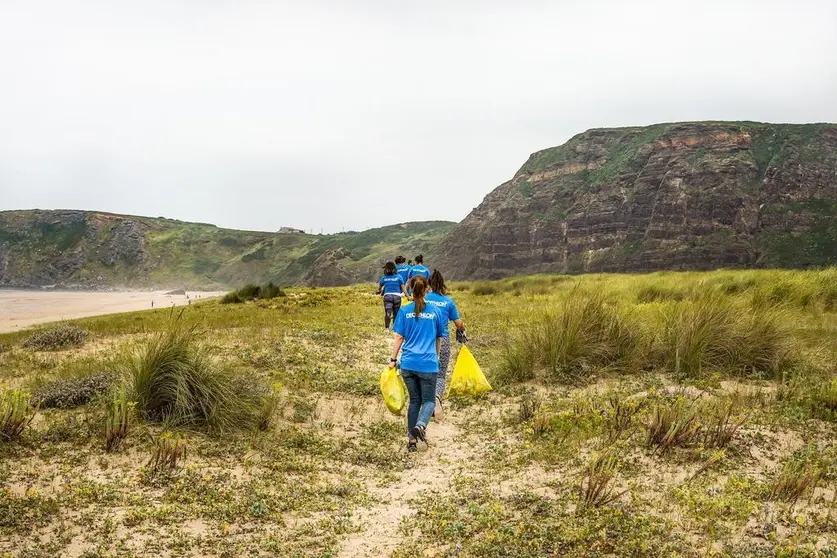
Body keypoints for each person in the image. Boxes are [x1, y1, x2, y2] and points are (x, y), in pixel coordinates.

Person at [390, 276, 446, 452]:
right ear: (427, 289)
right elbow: (439, 338)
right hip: (428, 364)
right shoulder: (435, 311)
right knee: (429, 401)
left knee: (414, 401)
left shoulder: (405, 311)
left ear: (411, 290)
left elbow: (399, 337)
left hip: (407, 364)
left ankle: (412, 441)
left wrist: (393, 359)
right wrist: (436, 357)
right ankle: (421, 427)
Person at [426, 270, 466, 419]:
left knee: (426, 372)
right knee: (441, 373)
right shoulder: (448, 302)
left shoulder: (424, 299)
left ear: (429, 284)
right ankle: (436, 398)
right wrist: (462, 327)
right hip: (443, 341)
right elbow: (458, 323)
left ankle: (426, 402)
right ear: (443, 284)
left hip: (425, 341)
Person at [377, 261, 407, 329]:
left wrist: (380, 291)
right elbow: (403, 288)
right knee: (396, 313)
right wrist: (408, 296)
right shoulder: (399, 276)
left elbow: (379, 287)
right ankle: (395, 328)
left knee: (388, 312)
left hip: (387, 297)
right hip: (397, 297)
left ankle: (387, 329)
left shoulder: (384, 277)